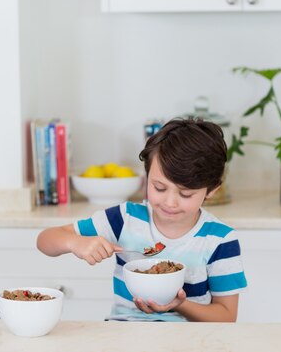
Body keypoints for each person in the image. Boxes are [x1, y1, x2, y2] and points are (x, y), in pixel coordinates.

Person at [37, 118, 248, 322]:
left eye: (185, 194)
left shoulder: (220, 240)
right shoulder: (124, 218)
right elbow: (45, 241)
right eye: (159, 188)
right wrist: (75, 242)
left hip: (188, 340)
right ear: (146, 176)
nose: (170, 202)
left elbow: (226, 316)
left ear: (211, 190)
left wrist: (178, 304)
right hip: (124, 333)